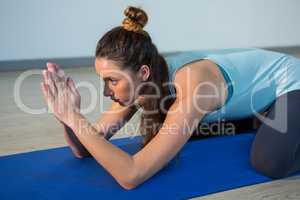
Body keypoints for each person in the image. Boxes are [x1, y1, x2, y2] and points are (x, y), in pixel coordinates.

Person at [40, 6, 300, 190]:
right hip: (256, 96)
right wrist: (67, 116)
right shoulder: (142, 84)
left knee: (270, 162)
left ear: (142, 72)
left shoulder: (194, 87)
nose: (107, 91)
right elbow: (85, 147)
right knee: (189, 130)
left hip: (291, 82)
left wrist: (74, 118)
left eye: (112, 80)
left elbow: (131, 174)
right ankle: (262, 117)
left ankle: (270, 117)